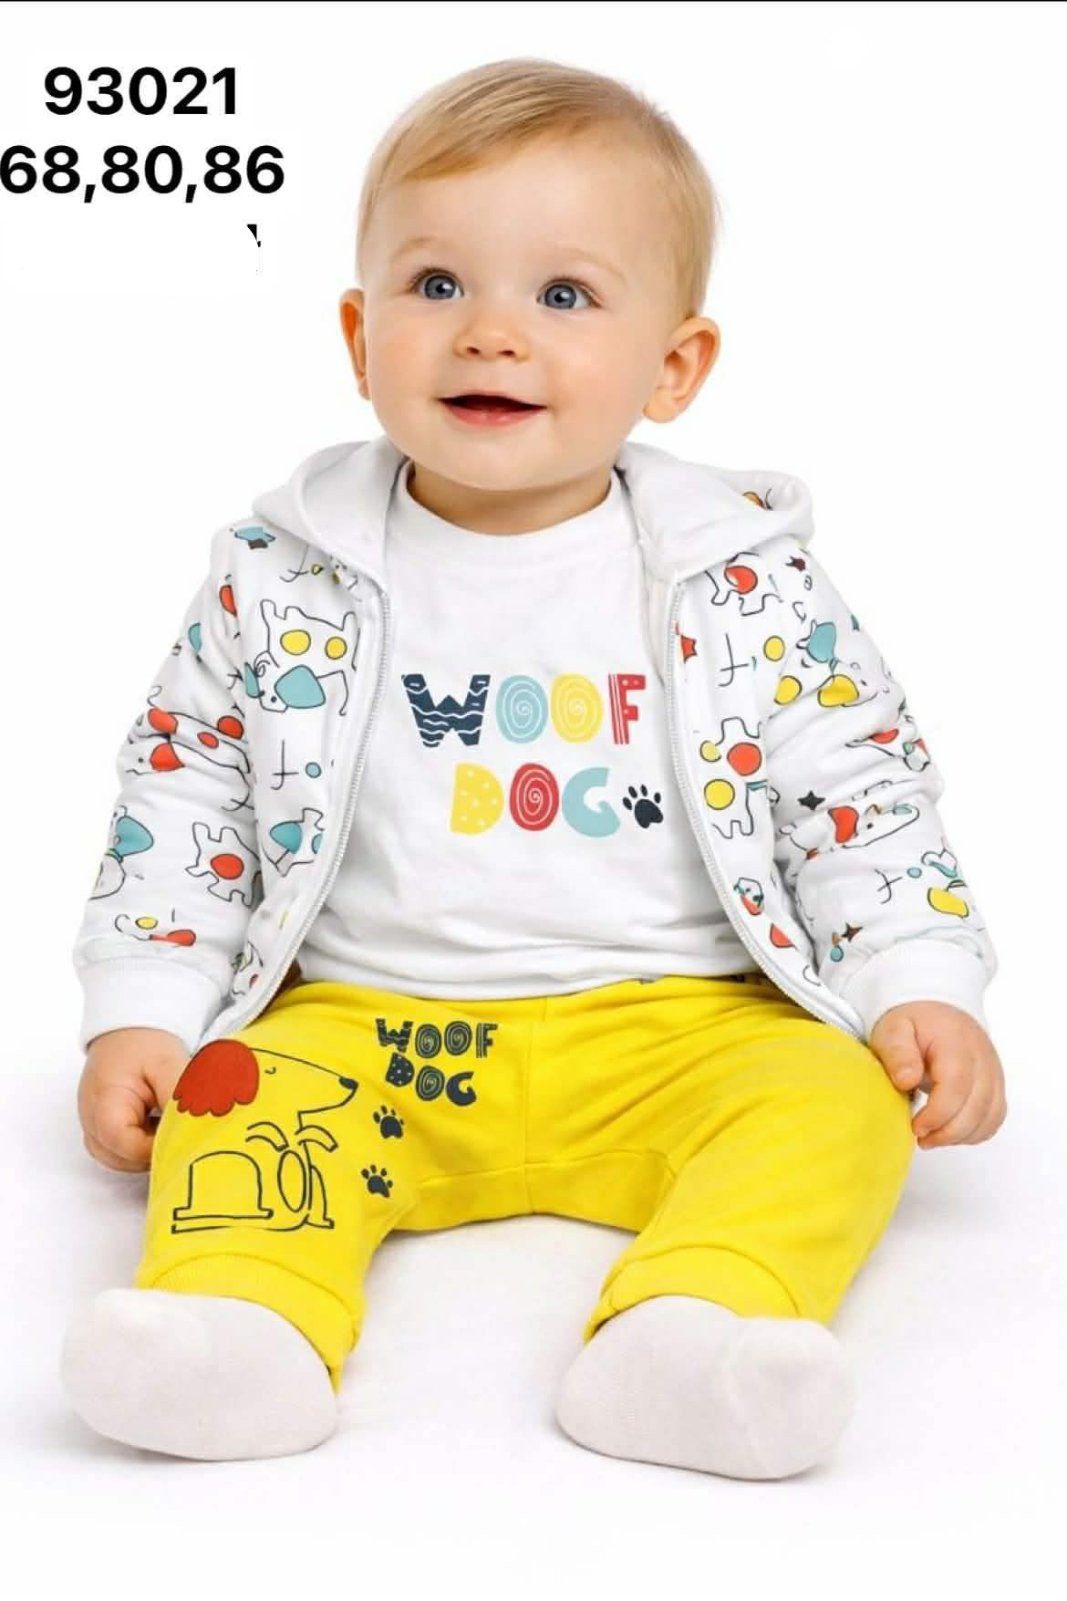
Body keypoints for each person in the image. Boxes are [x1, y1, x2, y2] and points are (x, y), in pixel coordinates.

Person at [60, 56, 1005, 1477]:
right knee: (238, 1101)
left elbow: (858, 785)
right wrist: (143, 1005)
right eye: (437, 284)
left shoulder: (741, 580)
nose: (491, 334)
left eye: (564, 295)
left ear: (674, 366)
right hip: (366, 1025)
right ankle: (236, 1327)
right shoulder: (279, 574)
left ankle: (696, 1326)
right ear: (358, 333)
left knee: (833, 1102)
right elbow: (188, 792)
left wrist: (918, 978)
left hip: (685, 1029)